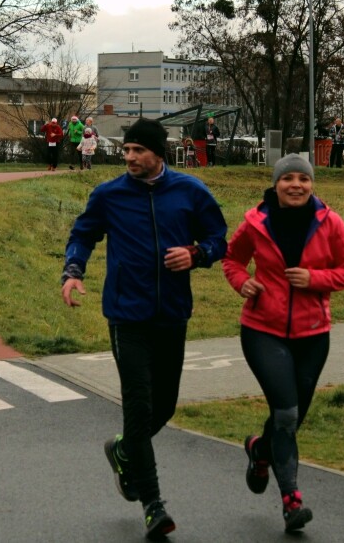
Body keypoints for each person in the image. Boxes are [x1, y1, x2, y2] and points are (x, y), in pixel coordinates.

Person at [61, 118, 228, 541]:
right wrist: (73, 271)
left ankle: (122, 450)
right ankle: (153, 505)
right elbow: (83, 234)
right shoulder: (110, 195)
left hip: (172, 314)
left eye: (138, 150)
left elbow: (219, 238)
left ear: (159, 152)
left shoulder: (190, 192)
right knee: (138, 406)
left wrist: (196, 254)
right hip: (126, 315)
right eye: (127, 150)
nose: (130, 157)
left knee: (164, 407)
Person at [221, 153, 344, 533]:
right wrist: (242, 283)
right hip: (262, 329)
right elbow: (232, 260)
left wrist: (314, 279)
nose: (296, 185)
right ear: (276, 184)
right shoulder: (255, 222)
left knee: (293, 417)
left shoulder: (330, 223)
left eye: (303, 179)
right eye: (288, 179)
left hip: (313, 335)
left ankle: (260, 450)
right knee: (284, 414)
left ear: (312, 184)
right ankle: (291, 501)